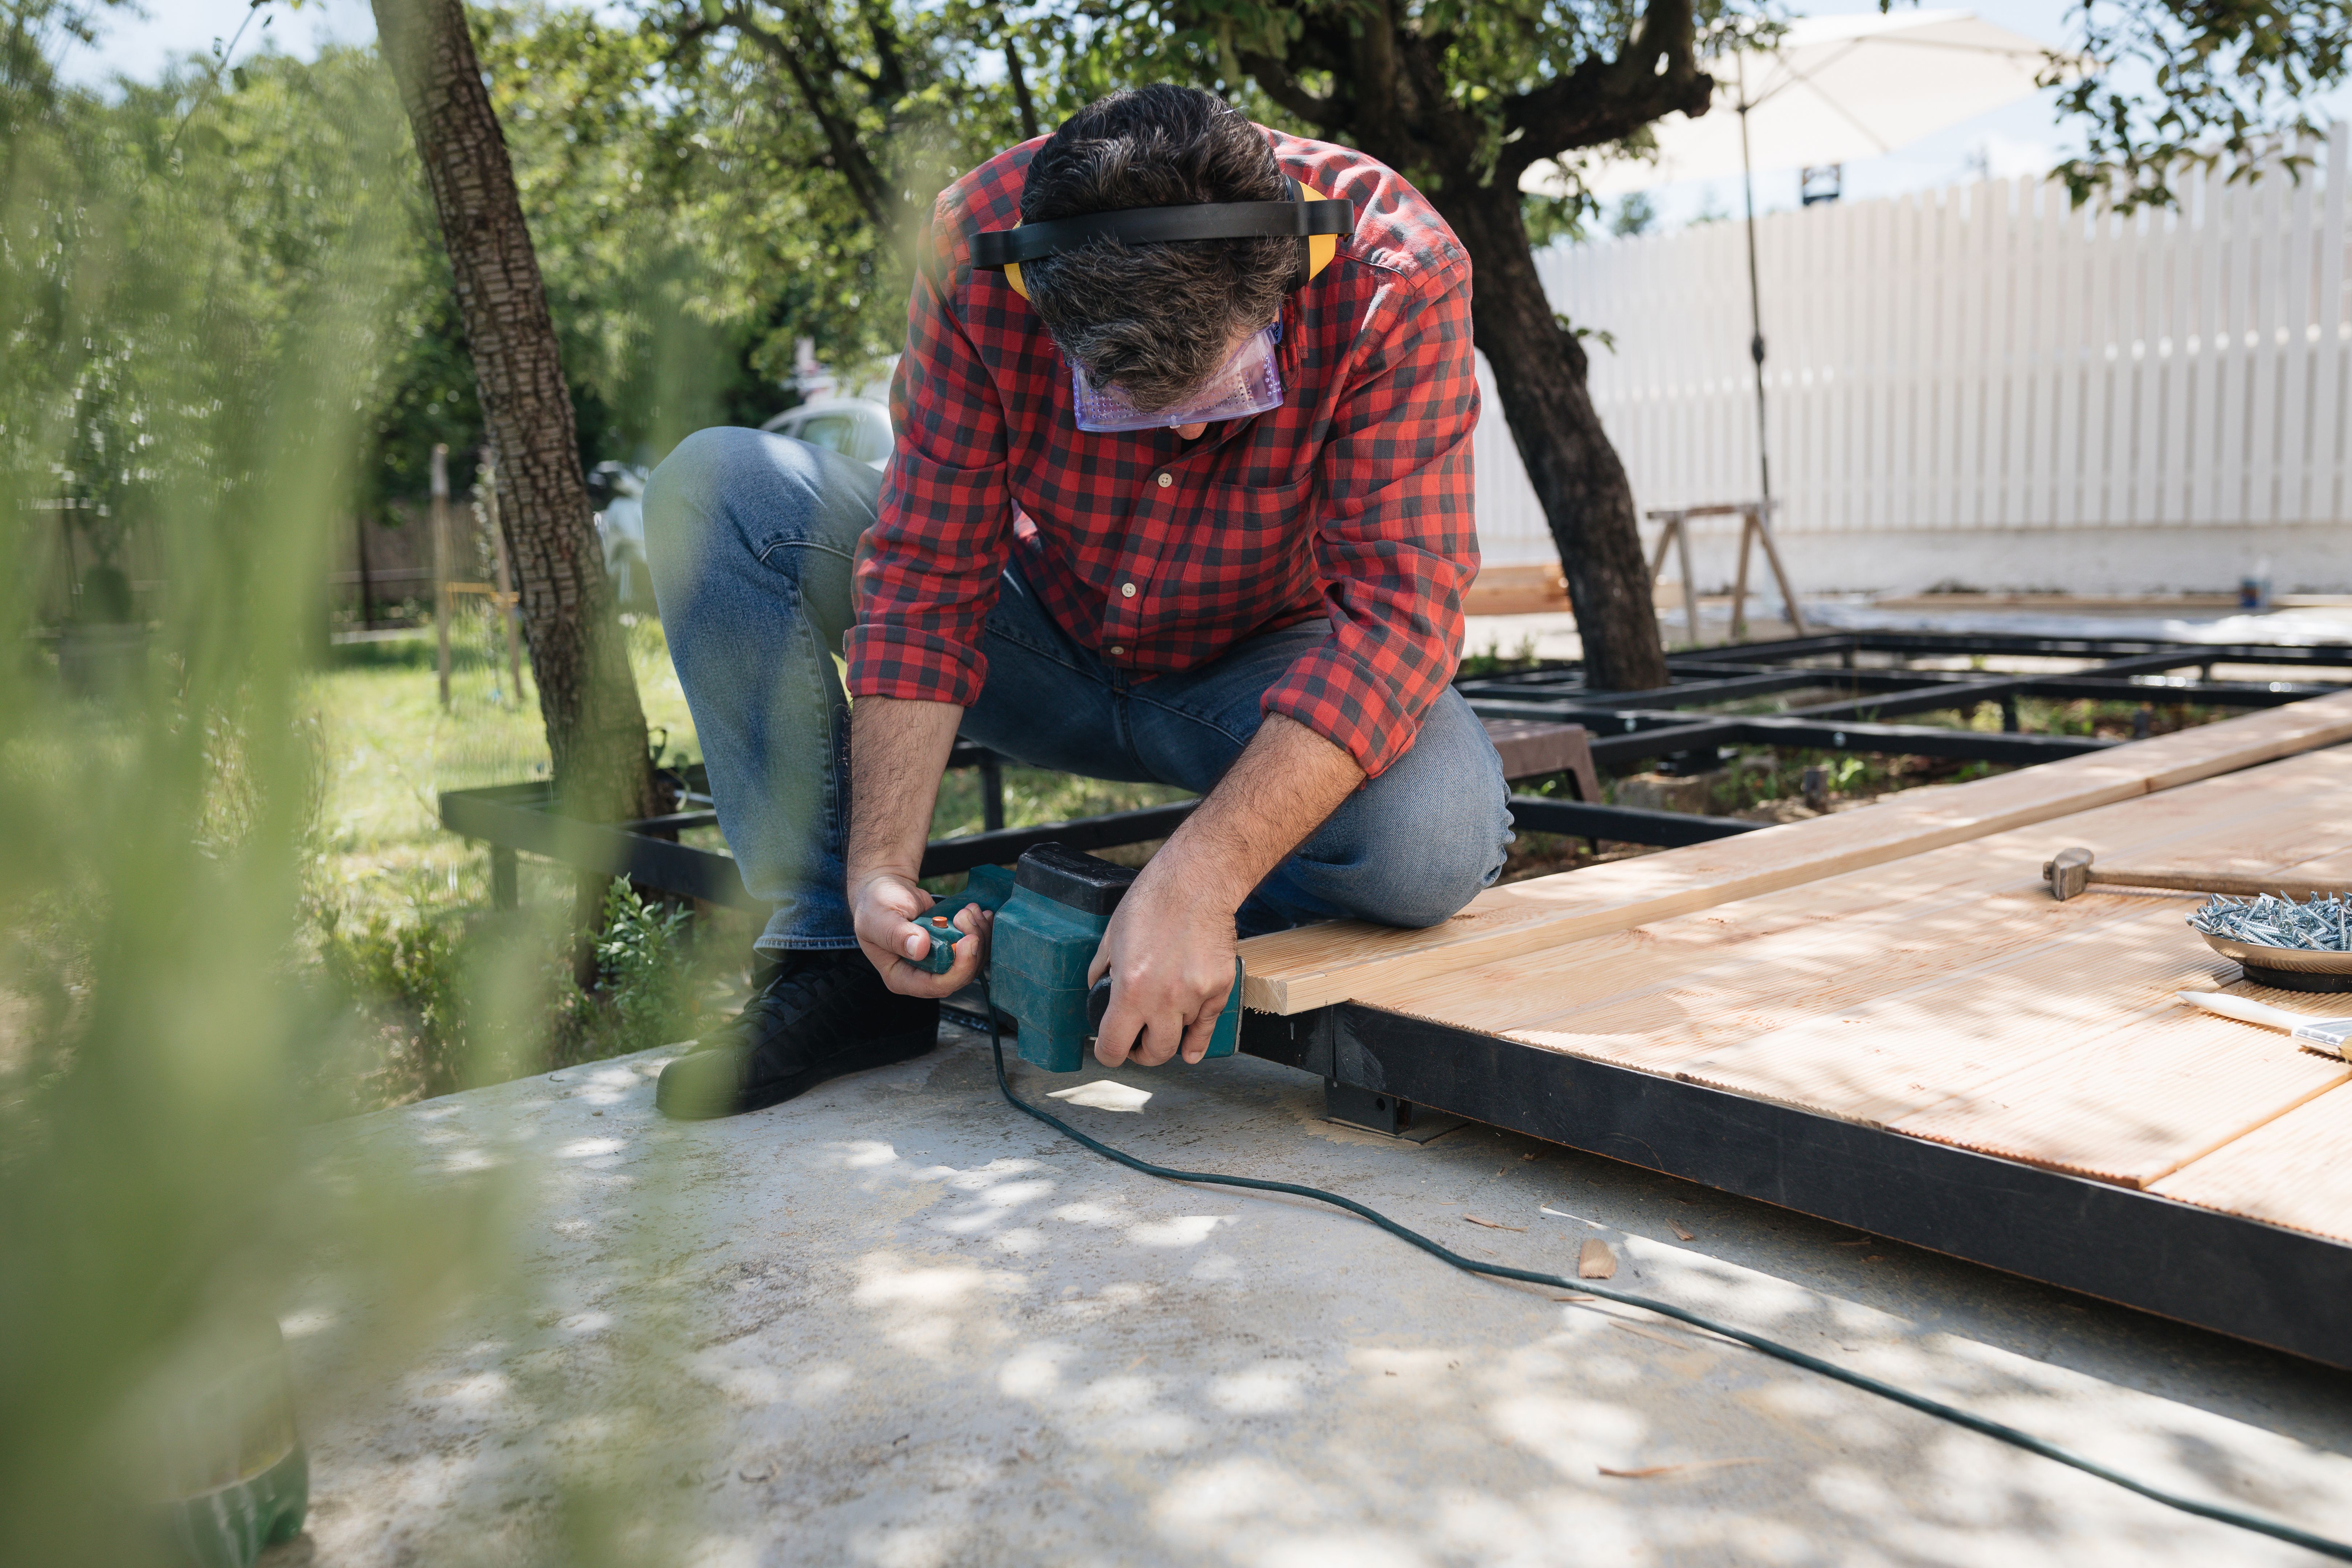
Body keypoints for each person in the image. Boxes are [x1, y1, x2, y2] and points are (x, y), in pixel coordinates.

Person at [645, 85, 1510, 1120]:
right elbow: (926, 570)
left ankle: (1185, 922)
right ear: (1039, 295)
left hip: (1255, 673)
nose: (1187, 438)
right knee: (718, 490)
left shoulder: (1393, 271)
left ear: (1286, 282)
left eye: (1226, 392)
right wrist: (878, 868)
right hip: (1038, 629)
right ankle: (839, 955)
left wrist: (1199, 880)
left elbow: (1399, 622)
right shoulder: (975, 244)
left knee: (1439, 838)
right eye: (1129, 404)